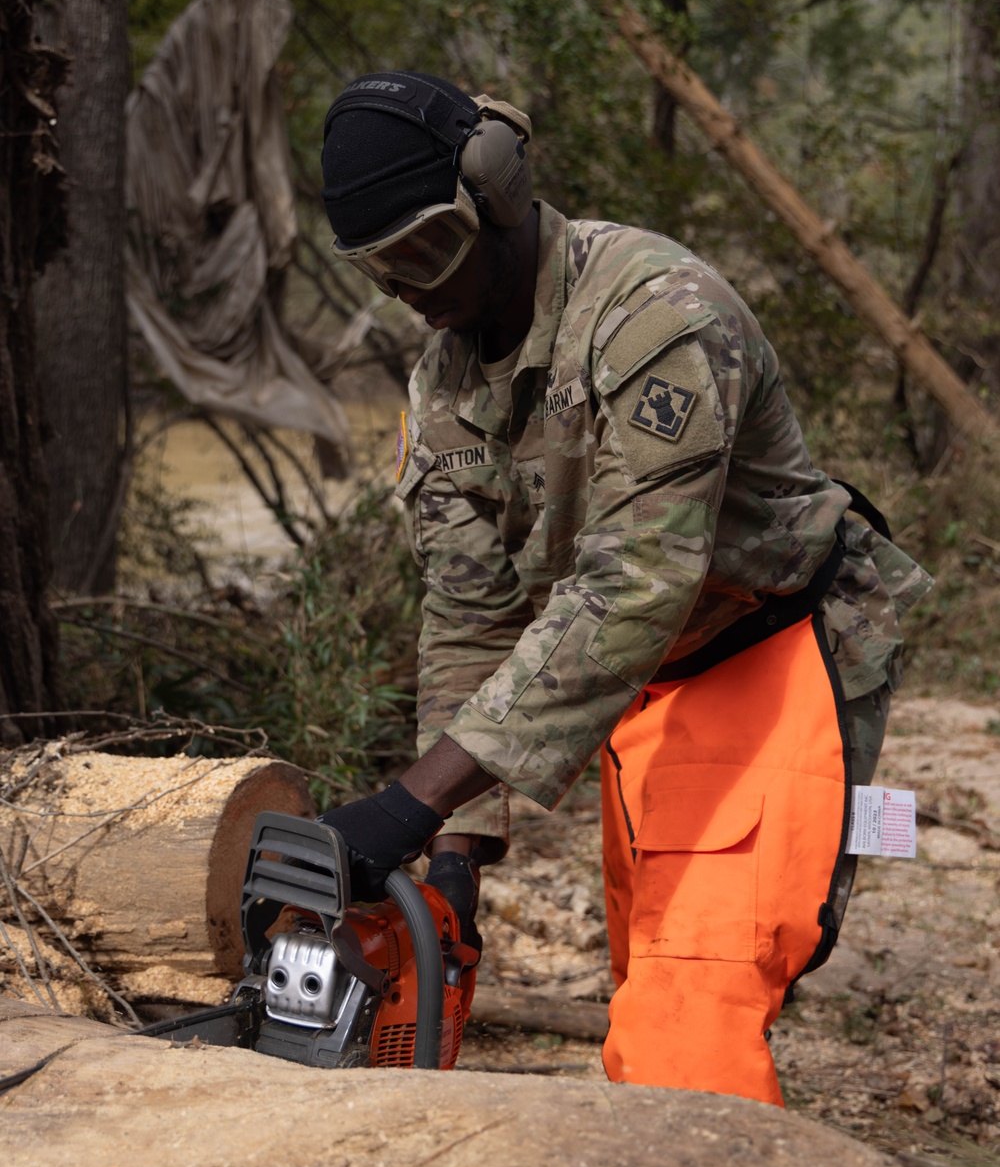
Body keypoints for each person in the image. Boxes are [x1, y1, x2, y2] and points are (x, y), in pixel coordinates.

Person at [317, 70, 930, 1104]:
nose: (411, 289)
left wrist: (406, 801)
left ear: (497, 191)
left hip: (765, 653)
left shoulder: (654, 315)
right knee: (650, 989)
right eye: (381, 270)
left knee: (687, 1034)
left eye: (425, 249)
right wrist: (455, 855)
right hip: (633, 689)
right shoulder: (445, 386)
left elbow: (639, 578)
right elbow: (471, 607)